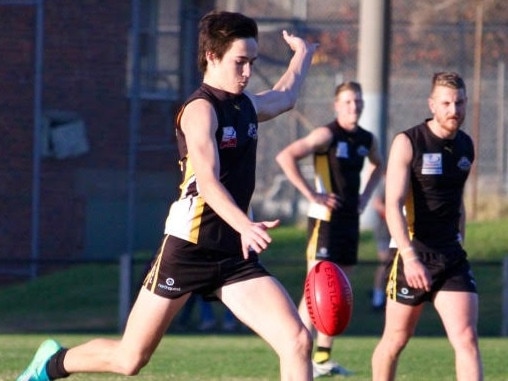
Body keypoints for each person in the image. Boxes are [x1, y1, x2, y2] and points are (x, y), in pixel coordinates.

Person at [17, 10, 318, 381]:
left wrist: (302, 53)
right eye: (240, 62)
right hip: (189, 245)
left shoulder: (246, 107)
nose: (247, 73)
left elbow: (286, 96)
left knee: (297, 341)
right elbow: (207, 183)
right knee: (130, 360)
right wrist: (246, 225)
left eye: (252, 63)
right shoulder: (199, 110)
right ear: (212, 56)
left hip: (232, 253)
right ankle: (50, 364)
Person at [371, 72, 483, 381]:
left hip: (451, 257)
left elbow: (457, 199)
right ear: (432, 104)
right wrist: (409, 257)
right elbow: (393, 204)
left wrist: (461, 236)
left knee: (467, 340)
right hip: (413, 255)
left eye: (459, 102)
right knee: (395, 341)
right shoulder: (408, 142)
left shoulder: (465, 146)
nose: (453, 110)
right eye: (446, 103)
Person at [276, 81, 383, 378]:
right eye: (348, 102)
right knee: (316, 290)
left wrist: (364, 197)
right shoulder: (327, 134)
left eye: (358, 101)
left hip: (349, 221)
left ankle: (322, 359)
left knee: (339, 293)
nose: (354, 106)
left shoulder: (366, 138)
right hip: (324, 221)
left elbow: (379, 165)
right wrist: (313, 194)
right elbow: (286, 156)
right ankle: (295, 353)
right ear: (337, 105)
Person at [370, 176, 390, 311]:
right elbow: (377, 203)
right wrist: (394, 214)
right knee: (384, 264)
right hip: (385, 231)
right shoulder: (387, 183)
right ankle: (377, 299)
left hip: (398, 232)